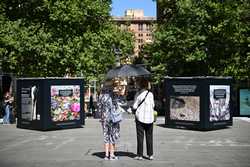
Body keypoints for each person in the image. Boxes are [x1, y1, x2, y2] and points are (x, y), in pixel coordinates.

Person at [97, 79, 126, 160]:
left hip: (104, 118)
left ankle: (106, 155)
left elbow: (99, 107)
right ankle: (112, 154)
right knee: (112, 135)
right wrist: (121, 90)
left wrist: (102, 115)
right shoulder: (113, 94)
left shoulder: (101, 95)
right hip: (113, 118)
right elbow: (121, 102)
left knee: (106, 135)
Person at [132, 78, 155, 160]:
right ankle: (150, 155)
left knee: (140, 137)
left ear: (140, 85)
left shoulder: (138, 94)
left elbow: (134, 106)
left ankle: (140, 155)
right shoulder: (151, 94)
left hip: (140, 118)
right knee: (149, 136)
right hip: (150, 118)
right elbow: (153, 105)